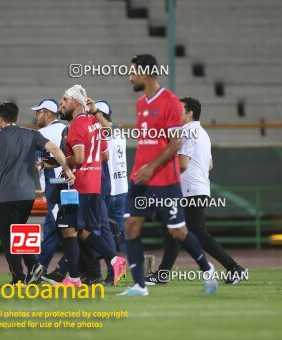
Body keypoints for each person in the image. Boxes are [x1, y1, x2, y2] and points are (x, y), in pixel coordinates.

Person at [118, 54, 218, 296]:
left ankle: (207, 269)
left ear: (146, 73)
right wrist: (139, 170)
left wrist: (152, 166)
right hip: (140, 177)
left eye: (132, 72)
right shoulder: (141, 104)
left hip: (164, 178)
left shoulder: (171, 102)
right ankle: (139, 286)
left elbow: (175, 143)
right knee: (131, 226)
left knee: (178, 231)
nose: (130, 77)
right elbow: (145, 144)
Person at [144, 97, 247, 285]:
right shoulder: (202, 132)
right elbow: (210, 164)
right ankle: (163, 274)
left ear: (189, 113)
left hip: (190, 190)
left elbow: (183, 164)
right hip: (195, 189)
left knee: (197, 233)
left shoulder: (188, 132)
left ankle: (234, 268)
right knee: (175, 232)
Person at [0, 101, 75, 285]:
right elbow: (56, 150)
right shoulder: (32, 134)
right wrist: (66, 169)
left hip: (7, 196)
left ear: (0, 118)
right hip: (28, 195)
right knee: (18, 232)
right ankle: (33, 267)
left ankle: (19, 275)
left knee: (7, 236)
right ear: (16, 117)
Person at [45, 85, 125, 287]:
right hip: (93, 185)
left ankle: (76, 277)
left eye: (64, 100)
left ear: (74, 102)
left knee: (67, 229)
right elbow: (105, 154)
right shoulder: (94, 123)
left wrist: (60, 161)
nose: (61, 104)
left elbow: (78, 158)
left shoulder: (77, 126)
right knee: (79, 231)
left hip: (79, 186)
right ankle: (111, 262)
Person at [93, 100, 128, 285]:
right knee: (116, 236)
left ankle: (103, 272)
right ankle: (117, 271)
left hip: (110, 190)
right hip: (121, 191)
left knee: (103, 234)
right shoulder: (119, 131)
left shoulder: (106, 131)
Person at [31, 99, 66, 269]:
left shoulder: (44, 132)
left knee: (63, 227)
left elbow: (37, 162)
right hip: (69, 182)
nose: (36, 115)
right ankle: (40, 267)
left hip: (54, 185)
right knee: (52, 228)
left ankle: (75, 266)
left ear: (48, 113)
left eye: (39, 112)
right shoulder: (66, 128)